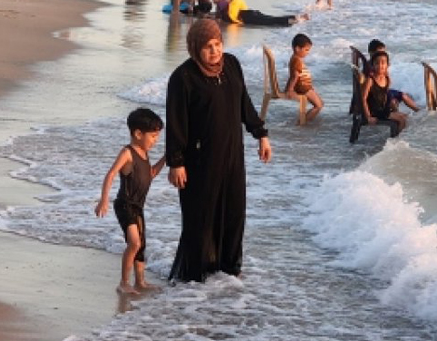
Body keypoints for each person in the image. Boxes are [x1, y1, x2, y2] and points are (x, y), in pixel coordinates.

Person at [166, 19, 272, 282]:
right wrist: (176, 162)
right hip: (200, 159)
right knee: (200, 216)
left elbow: (243, 103)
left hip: (232, 154)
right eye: (207, 47)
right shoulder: (183, 77)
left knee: (234, 210)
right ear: (195, 48)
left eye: (217, 44)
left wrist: (260, 134)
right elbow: (176, 122)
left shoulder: (232, 65)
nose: (214, 51)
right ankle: (195, 278)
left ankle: (229, 270)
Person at [95, 108, 166, 295]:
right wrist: (104, 200)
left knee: (141, 245)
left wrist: (166, 158)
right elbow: (110, 174)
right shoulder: (128, 153)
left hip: (138, 206)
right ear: (137, 133)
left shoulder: (144, 153)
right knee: (134, 243)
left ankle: (140, 281)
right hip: (125, 204)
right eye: (153, 136)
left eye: (157, 136)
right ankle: (124, 282)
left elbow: (150, 174)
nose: (155, 140)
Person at [361, 51, 408, 132]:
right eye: (377, 63)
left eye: (383, 63)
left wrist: (392, 104)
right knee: (401, 120)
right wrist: (368, 116)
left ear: (387, 65)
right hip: (374, 111)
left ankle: (397, 136)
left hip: (383, 109)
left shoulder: (387, 79)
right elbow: (363, 99)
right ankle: (395, 140)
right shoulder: (370, 80)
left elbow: (386, 95)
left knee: (405, 116)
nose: (380, 66)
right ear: (373, 65)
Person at [211, 0, 307, 26]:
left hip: (248, 17)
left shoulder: (229, 4)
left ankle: (293, 20)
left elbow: (232, 18)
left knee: (271, 21)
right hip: (251, 13)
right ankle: (295, 18)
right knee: (271, 19)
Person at [285, 33, 324, 122]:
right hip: (303, 87)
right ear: (298, 48)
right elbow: (294, 76)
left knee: (320, 103)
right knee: (318, 105)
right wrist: (290, 90)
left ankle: (304, 120)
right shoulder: (296, 60)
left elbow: (292, 76)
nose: (308, 52)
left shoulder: (295, 58)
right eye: (306, 50)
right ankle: (303, 122)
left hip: (305, 86)